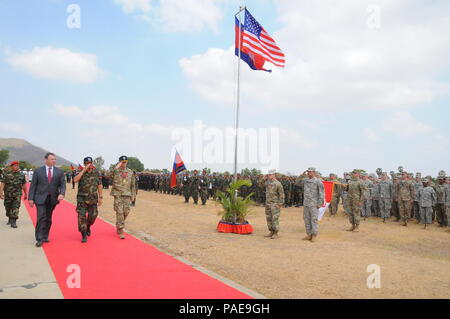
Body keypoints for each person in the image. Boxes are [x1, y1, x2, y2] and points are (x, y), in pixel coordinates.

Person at [28, 153, 66, 247]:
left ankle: (45, 235)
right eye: (52, 159)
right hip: (40, 198)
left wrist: (61, 193)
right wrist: (30, 198)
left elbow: (63, 185)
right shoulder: (38, 171)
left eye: (55, 159)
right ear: (46, 160)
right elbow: (33, 186)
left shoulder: (59, 172)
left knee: (48, 218)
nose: (54, 161)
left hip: (52, 199)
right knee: (41, 217)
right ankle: (39, 238)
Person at [73, 157, 102, 243]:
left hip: (93, 199)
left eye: (90, 163)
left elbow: (99, 185)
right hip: (82, 199)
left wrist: (100, 197)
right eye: (87, 163)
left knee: (93, 215)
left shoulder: (96, 172)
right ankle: (84, 234)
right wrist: (84, 170)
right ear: (85, 163)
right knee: (81, 217)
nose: (89, 164)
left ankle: (88, 225)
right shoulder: (80, 172)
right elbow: (75, 180)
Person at [108, 156, 136, 239]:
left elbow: (133, 185)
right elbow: (107, 175)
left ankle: (119, 224)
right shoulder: (115, 171)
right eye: (122, 162)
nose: (124, 163)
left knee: (126, 212)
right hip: (118, 194)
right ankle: (121, 229)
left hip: (127, 194)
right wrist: (116, 167)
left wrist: (133, 195)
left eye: (125, 162)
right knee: (119, 212)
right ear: (119, 162)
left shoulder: (130, 172)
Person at [0, 161, 28, 228]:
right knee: (8, 206)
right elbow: (3, 183)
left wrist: (26, 193)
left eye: (17, 165)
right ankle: (10, 217)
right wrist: (0, 192)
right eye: (15, 165)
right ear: (11, 166)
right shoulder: (7, 174)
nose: (16, 166)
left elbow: (24, 184)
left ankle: (14, 221)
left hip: (17, 194)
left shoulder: (21, 175)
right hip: (8, 194)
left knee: (16, 207)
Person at [301, 168, 324, 242]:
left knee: (313, 220)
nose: (308, 173)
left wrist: (320, 203)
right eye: (308, 172)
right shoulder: (305, 180)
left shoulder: (318, 181)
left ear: (314, 172)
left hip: (314, 204)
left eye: (310, 172)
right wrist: (301, 175)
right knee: (306, 219)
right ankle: (309, 234)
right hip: (306, 203)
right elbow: (297, 183)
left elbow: (321, 193)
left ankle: (314, 235)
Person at [264, 169, 285, 239]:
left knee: (274, 218)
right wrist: (263, 179)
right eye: (268, 175)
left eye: (270, 175)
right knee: (269, 218)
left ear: (274, 175)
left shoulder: (278, 183)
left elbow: (281, 194)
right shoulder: (267, 182)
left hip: (274, 204)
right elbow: (260, 185)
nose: (269, 176)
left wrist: (280, 204)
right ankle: (271, 231)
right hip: (268, 203)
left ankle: (276, 233)